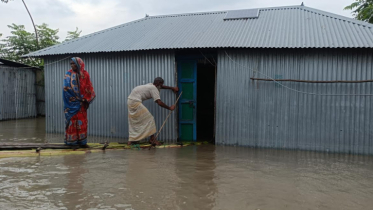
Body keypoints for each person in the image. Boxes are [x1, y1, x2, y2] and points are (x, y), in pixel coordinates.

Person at [127, 77, 178, 145]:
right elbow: (159, 102)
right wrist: (169, 108)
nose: (162, 86)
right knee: (150, 119)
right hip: (135, 102)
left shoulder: (152, 85)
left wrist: (172, 88)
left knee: (135, 121)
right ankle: (152, 139)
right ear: (158, 83)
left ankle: (132, 140)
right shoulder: (153, 88)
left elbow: (162, 87)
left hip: (130, 101)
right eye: (161, 84)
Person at [63, 57, 96, 146]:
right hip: (71, 104)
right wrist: (76, 99)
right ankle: (71, 142)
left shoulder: (85, 74)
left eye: (74, 63)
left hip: (82, 104)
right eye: (71, 64)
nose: (72, 65)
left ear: (79, 64)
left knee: (82, 122)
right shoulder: (68, 74)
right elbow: (66, 89)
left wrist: (85, 99)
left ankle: (82, 142)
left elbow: (89, 88)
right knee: (72, 122)